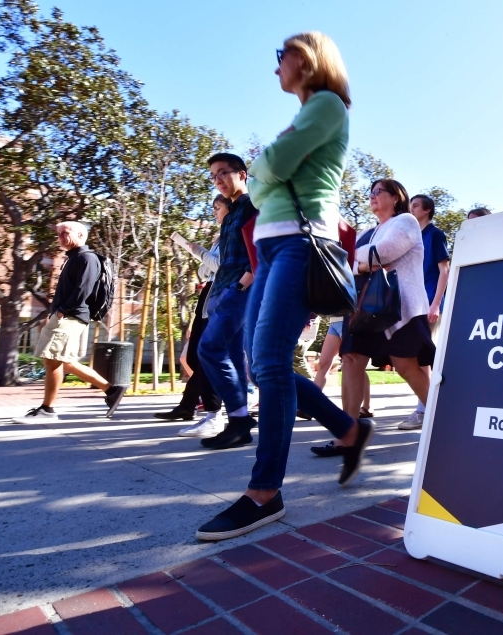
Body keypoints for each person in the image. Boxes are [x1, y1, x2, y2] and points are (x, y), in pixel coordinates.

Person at [196, 32, 372, 541]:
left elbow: (268, 169)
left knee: (269, 363)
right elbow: (266, 173)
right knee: (260, 362)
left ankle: (264, 492)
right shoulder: (303, 114)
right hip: (273, 249)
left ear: (309, 59)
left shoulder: (326, 105)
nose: (276, 68)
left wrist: (266, 169)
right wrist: (267, 171)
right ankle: (348, 429)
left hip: (300, 246)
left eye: (283, 57)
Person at [340, 179, 435, 429]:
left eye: (378, 192)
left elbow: (383, 252)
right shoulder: (366, 233)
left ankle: (442, 419)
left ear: (395, 197)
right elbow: (344, 262)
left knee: (405, 365)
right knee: (350, 358)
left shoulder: (406, 222)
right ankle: (347, 432)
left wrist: (359, 261)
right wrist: (362, 263)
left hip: (401, 307)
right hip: (365, 308)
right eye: (370, 193)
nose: (372, 196)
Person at [12, 222, 125, 424]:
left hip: (72, 315)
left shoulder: (87, 258)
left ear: (81, 234)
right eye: (59, 234)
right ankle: (112, 389)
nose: (60, 237)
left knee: (52, 359)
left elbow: (84, 289)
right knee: (65, 361)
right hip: (66, 314)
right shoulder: (74, 258)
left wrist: (63, 311)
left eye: (65, 233)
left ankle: (48, 410)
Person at [195, 153, 257, 450]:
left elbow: (261, 249)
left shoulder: (254, 206)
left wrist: (244, 283)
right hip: (222, 290)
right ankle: (239, 423)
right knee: (232, 358)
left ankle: (240, 420)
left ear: (242, 174)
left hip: (238, 290)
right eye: (214, 176)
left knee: (208, 348)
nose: (218, 180)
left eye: (223, 173)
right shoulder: (230, 212)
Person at [154, 195, 227, 438]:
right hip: (208, 292)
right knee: (197, 355)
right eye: (214, 208)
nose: (215, 212)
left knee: (209, 355)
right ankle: (192, 406)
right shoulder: (220, 237)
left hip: (222, 294)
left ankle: (215, 408)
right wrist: (203, 254)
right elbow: (205, 269)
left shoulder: (233, 234)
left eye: (218, 208)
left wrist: (201, 251)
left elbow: (220, 267)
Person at [398, 194, 449, 430]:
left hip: (428, 303)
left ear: (427, 210)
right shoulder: (411, 236)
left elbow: (444, 271)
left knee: (423, 358)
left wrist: (436, 304)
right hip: (413, 304)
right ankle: (426, 409)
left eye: (416, 205)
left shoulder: (435, 234)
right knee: (417, 359)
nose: (411, 209)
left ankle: (423, 411)